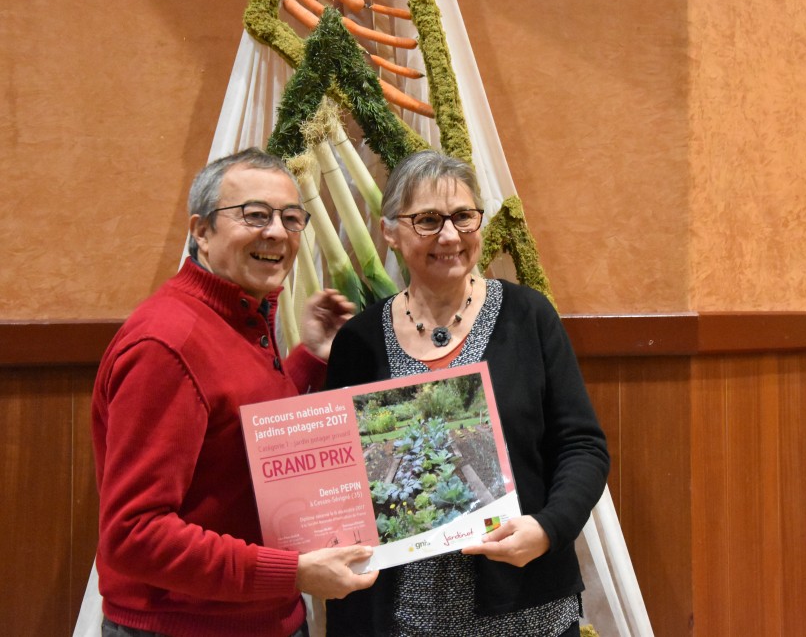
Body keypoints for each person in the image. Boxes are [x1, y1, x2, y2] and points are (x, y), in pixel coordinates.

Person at [91, 148, 378, 637]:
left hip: (261, 616)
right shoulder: (167, 344)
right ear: (201, 231)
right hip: (184, 627)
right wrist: (292, 573)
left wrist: (308, 356)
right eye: (255, 215)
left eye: (291, 218)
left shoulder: (240, 317)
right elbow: (133, 535)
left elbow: (239, 440)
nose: (277, 233)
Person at [324, 150, 610, 636]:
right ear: (390, 231)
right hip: (398, 618)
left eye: (463, 216)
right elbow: (332, 476)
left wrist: (546, 530)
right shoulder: (360, 340)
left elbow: (582, 446)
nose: (450, 236)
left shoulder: (529, 317)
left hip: (525, 608)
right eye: (428, 220)